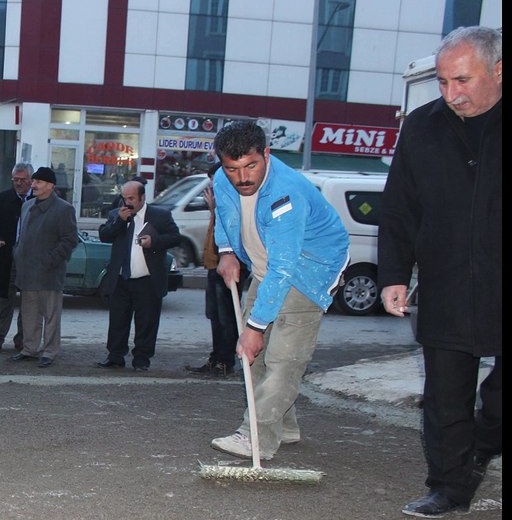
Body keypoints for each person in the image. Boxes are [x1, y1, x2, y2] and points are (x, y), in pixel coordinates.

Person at [378, 26, 501, 518]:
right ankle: (449, 487)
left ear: (498, 71)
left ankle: (481, 446)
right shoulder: (422, 127)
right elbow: (399, 207)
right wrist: (393, 274)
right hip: (446, 281)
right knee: (444, 398)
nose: (453, 94)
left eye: (464, 81)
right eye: (445, 83)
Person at [208, 120, 350, 462]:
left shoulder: (286, 194)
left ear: (266, 155)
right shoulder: (221, 180)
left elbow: (284, 269)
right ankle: (283, 425)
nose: (243, 178)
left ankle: (256, 437)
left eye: (251, 166)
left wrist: (256, 328)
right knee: (250, 355)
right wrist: (226, 252)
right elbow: (227, 216)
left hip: (307, 271)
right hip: (265, 268)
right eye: (233, 169)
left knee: (283, 359)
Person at [96, 179, 180, 371]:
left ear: (142, 198)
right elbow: (104, 236)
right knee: (118, 320)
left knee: (146, 322)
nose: (127, 202)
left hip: (148, 280)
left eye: (131, 198)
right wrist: (119, 221)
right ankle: (115, 356)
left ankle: (142, 359)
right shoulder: (117, 214)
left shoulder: (160, 215)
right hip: (121, 279)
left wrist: (155, 241)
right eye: (124, 198)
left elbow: (175, 237)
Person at [9, 166, 79, 368]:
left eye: (38, 182)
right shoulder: (27, 205)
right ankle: (29, 348)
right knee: (29, 314)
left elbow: (69, 240)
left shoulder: (64, 209)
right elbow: (21, 235)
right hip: (27, 271)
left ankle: (50, 351)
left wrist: (50, 260)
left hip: (49, 273)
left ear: (50, 185)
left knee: (51, 316)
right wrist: (18, 252)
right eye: (34, 181)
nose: (34, 185)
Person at [185, 164, 249, 378]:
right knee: (214, 315)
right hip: (214, 266)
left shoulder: (234, 201)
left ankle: (226, 360)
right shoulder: (220, 202)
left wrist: (217, 208)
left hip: (229, 267)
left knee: (226, 316)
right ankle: (217, 357)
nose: (212, 185)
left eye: (214, 180)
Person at [0, 162, 31, 353]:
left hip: (31, 258)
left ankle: (23, 338)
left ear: (31, 180)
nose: (19, 184)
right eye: (16, 180)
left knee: (30, 300)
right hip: (7, 256)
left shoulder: (40, 200)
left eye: (23, 180)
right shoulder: (1, 199)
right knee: (3, 298)